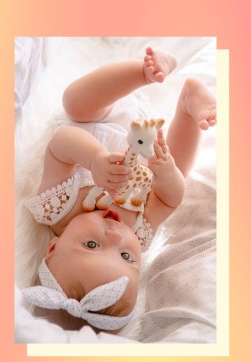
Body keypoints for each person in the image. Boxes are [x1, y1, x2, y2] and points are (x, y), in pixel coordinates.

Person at [21, 47, 217, 330]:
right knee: (180, 174)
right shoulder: (139, 232)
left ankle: (143, 73)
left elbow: (61, 144)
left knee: (74, 102)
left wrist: (94, 160)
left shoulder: (57, 208)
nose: (114, 237)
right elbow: (168, 201)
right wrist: (165, 172)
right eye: (126, 257)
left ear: (53, 246)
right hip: (149, 140)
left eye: (91, 245)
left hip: (100, 117)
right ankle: (189, 102)